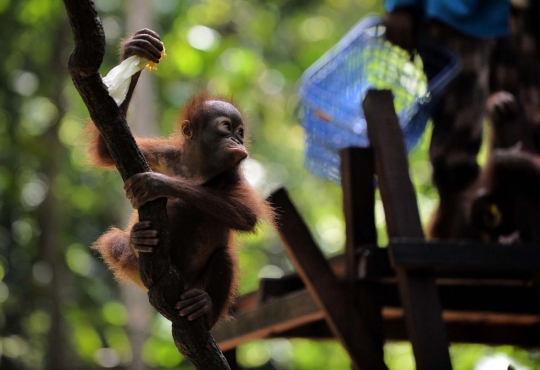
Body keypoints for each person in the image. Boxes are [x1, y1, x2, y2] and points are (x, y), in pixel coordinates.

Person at [384, 0, 510, 238]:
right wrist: (401, 5)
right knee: (458, 140)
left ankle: (501, 225)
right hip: (457, 16)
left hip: (515, 19)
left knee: (519, 126)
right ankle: (458, 231)